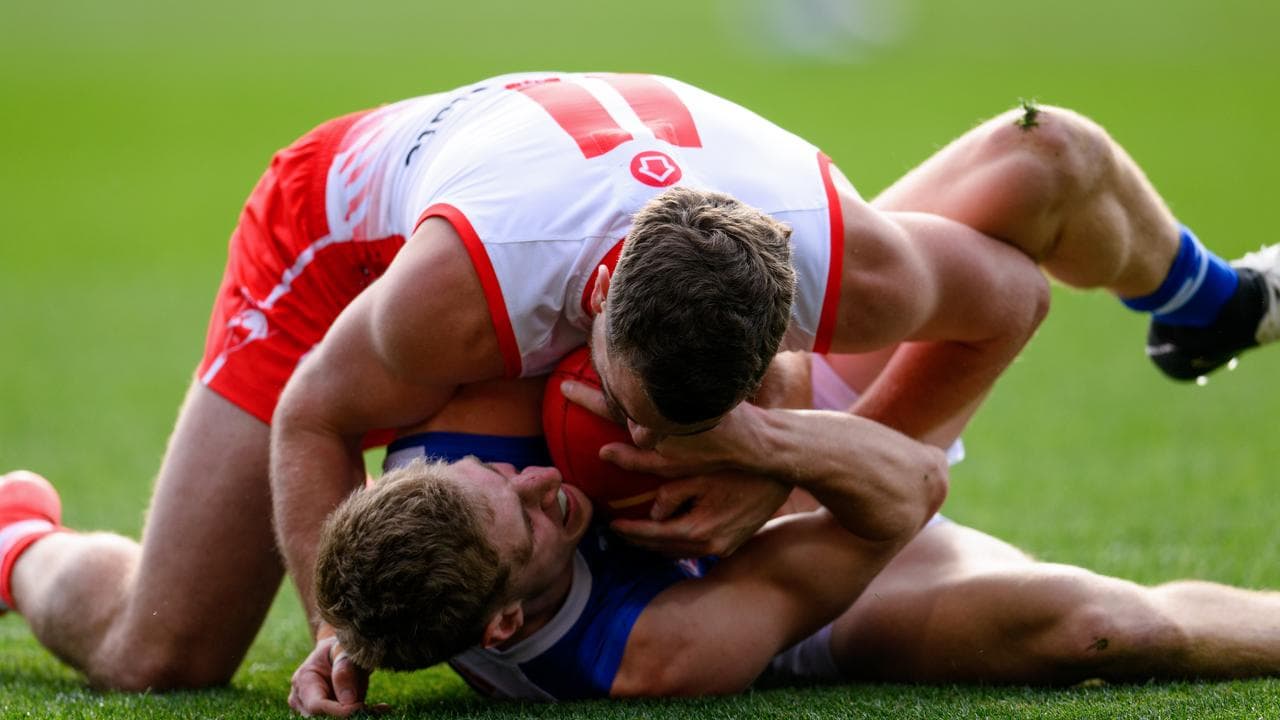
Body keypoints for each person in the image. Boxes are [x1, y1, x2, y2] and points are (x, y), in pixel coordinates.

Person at [0, 70, 1275, 694]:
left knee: (1042, 153)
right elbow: (316, 414)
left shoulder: (825, 245)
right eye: (637, 406)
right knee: (160, 654)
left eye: (698, 414)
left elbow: (1003, 307)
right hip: (349, 250)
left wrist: (778, 451)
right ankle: (18, 542)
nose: (569, 474)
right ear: (586, 322)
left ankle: (1211, 300)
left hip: (676, 234)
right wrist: (342, 628)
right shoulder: (460, 319)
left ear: (791, 311)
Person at [304, 352, 1280, 714]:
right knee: (1104, 631)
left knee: (1033, 172)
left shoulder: (443, 463)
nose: (533, 480)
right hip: (807, 561)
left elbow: (308, 411)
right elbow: (907, 490)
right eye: (521, 516)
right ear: (506, 621)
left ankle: (1204, 295)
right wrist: (756, 441)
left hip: (749, 455)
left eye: (496, 478)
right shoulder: (661, 652)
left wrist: (336, 631)